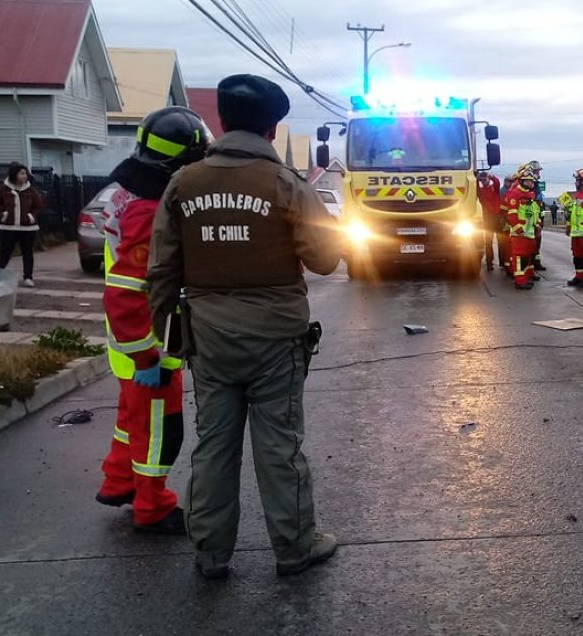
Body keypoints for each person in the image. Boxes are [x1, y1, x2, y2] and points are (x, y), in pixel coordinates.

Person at [147, 74, 343, 579]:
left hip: (208, 340)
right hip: (277, 340)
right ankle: (295, 548)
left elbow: (162, 271)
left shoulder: (183, 183)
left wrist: (156, 341)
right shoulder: (284, 185)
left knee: (213, 444)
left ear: (221, 122)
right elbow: (325, 260)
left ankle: (211, 553)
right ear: (273, 129)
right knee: (279, 445)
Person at [95, 106, 212, 535]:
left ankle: (118, 481)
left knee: (131, 419)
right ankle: (153, 505)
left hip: (128, 340)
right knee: (161, 428)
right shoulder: (148, 208)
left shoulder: (125, 192)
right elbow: (128, 290)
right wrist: (147, 355)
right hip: (149, 342)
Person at [0, 163, 44, 287]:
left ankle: (28, 277)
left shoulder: (30, 190)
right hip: (9, 227)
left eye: (25, 173)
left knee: (27, 252)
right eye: (21, 173)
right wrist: (2, 214)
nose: (24, 176)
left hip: (27, 227)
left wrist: (31, 216)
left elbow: (39, 205)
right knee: (5, 253)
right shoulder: (4, 188)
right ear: (14, 174)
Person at [503, 168, 541, 290]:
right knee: (520, 257)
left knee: (528, 255)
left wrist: (538, 224)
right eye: (529, 181)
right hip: (520, 233)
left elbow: (535, 211)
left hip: (529, 232)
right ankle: (520, 281)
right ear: (522, 181)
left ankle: (528, 275)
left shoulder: (530, 195)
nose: (532, 184)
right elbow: (512, 214)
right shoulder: (515, 194)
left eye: (532, 182)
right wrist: (519, 229)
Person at [476, 171, 503, 271]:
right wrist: (476, 178)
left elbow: (497, 182)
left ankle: (503, 262)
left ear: (488, 179)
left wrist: (491, 176)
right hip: (488, 219)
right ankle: (489, 263)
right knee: (488, 242)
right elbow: (476, 188)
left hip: (497, 217)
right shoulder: (481, 191)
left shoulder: (494, 189)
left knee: (501, 241)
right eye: (481, 181)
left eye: (485, 180)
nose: (483, 182)